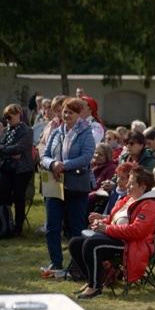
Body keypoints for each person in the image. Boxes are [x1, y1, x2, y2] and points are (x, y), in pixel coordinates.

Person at [68, 166, 155, 299]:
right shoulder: (129, 199)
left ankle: (95, 287)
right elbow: (113, 220)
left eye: (132, 183)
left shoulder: (149, 205)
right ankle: (91, 280)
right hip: (117, 237)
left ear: (142, 188)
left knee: (91, 245)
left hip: (133, 245)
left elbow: (137, 231)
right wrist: (101, 223)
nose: (127, 185)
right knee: (75, 243)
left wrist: (106, 229)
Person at [41, 98, 96, 271]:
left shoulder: (86, 131)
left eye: (70, 112)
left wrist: (65, 165)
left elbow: (87, 157)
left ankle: (78, 265)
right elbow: (45, 155)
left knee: (76, 227)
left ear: (79, 114)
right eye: (64, 111)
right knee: (52, 226)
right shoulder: (57, 132)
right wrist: (52, 164)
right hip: (55, 184)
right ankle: (56, 262)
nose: (66, 115)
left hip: (76, 184)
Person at [0, 104, 34, 237]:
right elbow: (5, 147)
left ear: (19, 115)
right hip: (6, 168)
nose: (8, 120)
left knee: (19, 198)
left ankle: (18, 229)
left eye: (10, 117)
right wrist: (9, 153)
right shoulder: (6, 131)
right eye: (6, 118)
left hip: (22, 170)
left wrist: (6, 150)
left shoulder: (27, 131)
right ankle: (6, 224)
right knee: (3, 197)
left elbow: (20, 148)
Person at [87, 143, 117, 212]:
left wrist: (86, 197)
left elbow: (104, 190)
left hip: (97, 204)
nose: (96, 156)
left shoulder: (111, 168)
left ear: (107, 157)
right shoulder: (93, 167)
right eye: (96, 153)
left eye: (100, 155)